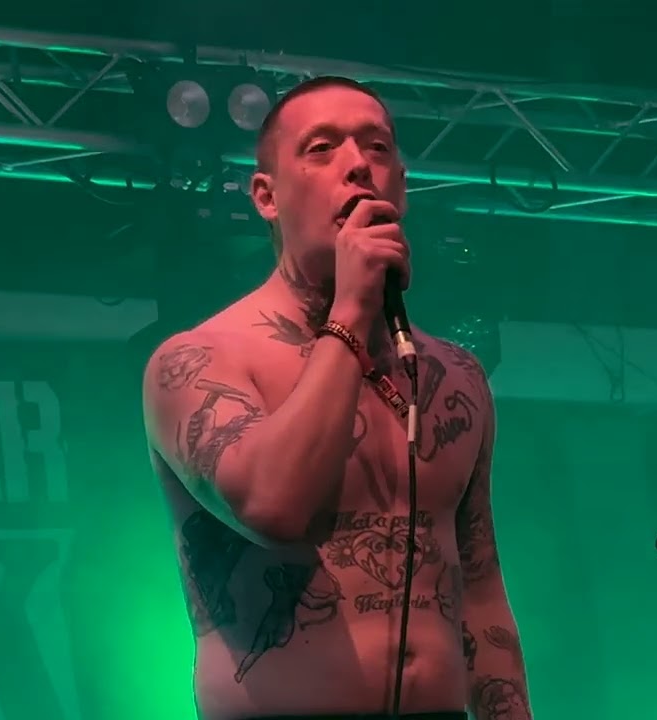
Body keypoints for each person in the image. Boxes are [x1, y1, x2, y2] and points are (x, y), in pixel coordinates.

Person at [141, 76, 531, 720]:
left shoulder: (457, 375)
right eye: (321, 149)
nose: (357, 165)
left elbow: (481, 589)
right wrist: (350, 310)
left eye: (377, 148)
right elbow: (272, 507)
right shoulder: (199, 361)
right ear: (267, 196)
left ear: (401, 186)